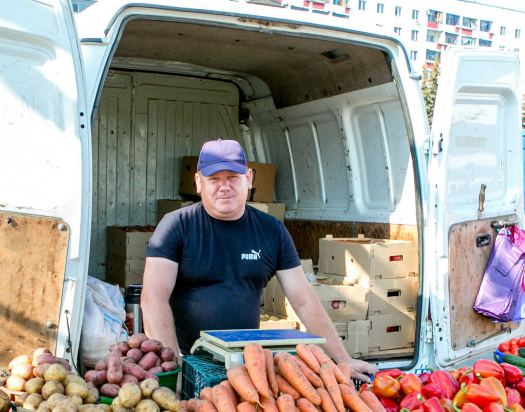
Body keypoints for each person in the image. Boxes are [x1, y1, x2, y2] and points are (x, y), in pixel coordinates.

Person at [142, 139, 378, 381]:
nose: (224, 187)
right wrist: (174, 368)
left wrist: (344, 360)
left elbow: (304, 300)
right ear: (198, 183)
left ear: (249, 179)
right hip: (187, 361)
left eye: (233, 177)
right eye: (214, 179)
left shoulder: (271, 231)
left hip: (248, 364)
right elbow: (153, 299)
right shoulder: (176, 226)